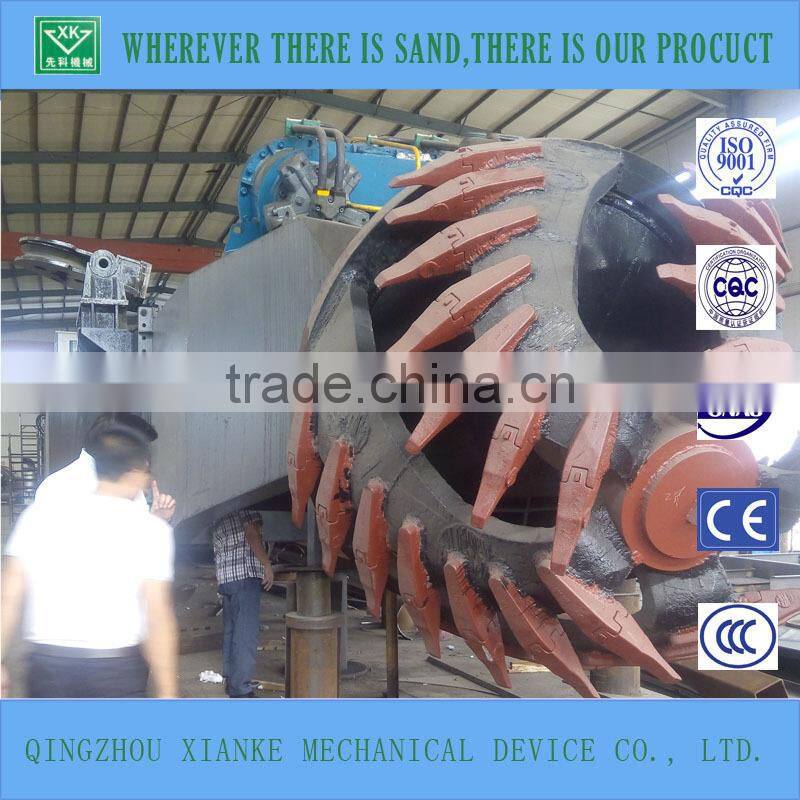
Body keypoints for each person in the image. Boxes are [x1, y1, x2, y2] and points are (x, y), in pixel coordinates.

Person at [1, 423, 178, 698]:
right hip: (116, 673)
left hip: (47, 670)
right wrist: (168, 694)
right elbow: (158, 616)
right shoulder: (150, 528)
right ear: (136, 471)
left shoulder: (37, 516)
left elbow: (8, 597)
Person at [36, 413, 176, 522]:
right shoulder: (57, 488)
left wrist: (157, 520)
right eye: (140, 450)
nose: (145, 461)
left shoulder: (128, 483)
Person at [211, 511, 274, 698]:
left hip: (226, 579)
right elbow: (251, 533)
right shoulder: (246, 506)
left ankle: (232, 682)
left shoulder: (219, 513)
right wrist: (267, 565)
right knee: (245, 635)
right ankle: (241, 690)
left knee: (231, 632)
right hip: (244, 576)